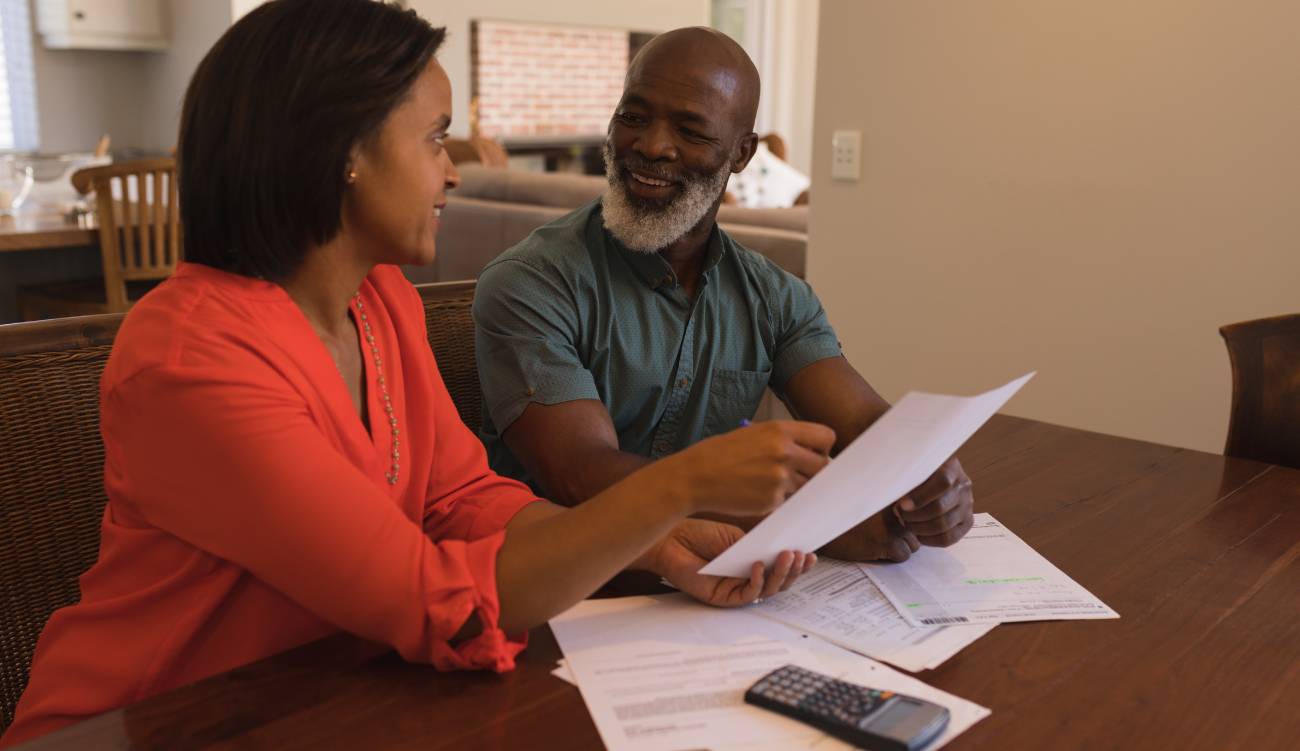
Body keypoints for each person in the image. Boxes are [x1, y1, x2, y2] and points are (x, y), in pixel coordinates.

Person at [0, 4, 832, 745]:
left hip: (322, 699)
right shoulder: (192, 362)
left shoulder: (381, 302)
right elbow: (428, 595)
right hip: (155, 719)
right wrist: (679, 487)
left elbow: (463, 499)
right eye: (435, 138)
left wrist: (661, 548)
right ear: (344, 153)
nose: (454, 169)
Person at [474, 27, 975, 563]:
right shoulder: (531, 281)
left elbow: (862, 425)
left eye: (691, 130)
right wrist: (815, 524)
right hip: (562, 595)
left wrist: (926, 476)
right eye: (634, 117)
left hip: (715, 587)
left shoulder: (776, 297)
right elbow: (581, 474)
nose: (651, 146)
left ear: (741, 154)